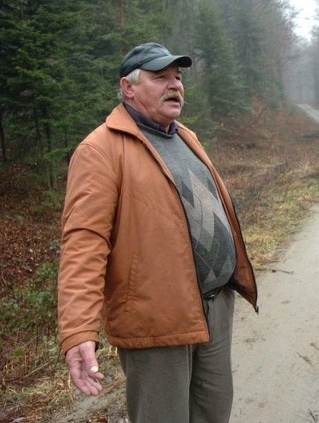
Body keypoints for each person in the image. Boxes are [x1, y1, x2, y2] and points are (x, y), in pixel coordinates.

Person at [57, 42, 258, 423]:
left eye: (178, 77)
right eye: (160, 77)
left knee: (214, 412)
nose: (175, 85)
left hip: (214, 309)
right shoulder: (100, 150)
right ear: (128, 88)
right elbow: (84, 242)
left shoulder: (185, 136)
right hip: (156, 321)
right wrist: (78, 329)